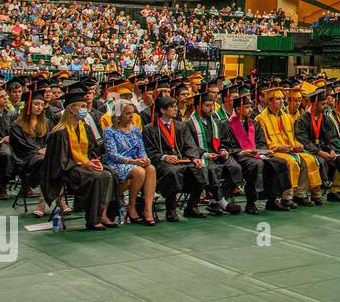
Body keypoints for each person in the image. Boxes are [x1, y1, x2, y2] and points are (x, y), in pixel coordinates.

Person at [45, 84, 119, 230]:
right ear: (71, 108)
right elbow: (60, 162)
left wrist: (93, 161)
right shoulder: (59, 132)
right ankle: (92, 219)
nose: (85, 109)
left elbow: (91, 151)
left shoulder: (83, 127)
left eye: (85, 106)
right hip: (67, 170)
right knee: (98, 176)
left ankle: (103, 214)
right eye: (82, 106)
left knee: (110, 173)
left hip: (83, 166)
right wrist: (82, 164)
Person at [142, 93, 208, 222]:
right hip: (161, 163)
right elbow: (149, 150)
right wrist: (164, 157)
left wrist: (194, 158)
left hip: (180, 160)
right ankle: (170, 209)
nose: (176, 109)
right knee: (172, 172)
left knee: (200, 168)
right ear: (162, 110)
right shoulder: (149, 129)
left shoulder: (180, 126)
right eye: (172, 107)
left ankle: (191, 206)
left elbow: (190, 145)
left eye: (175, 106)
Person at [221, 93, 288, 213]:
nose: (250, 109)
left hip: (256, 155)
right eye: (246, 107)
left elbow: (261, 142)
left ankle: (272, 200)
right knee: (256, 164)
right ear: (238, 109)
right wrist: (241, 152)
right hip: (239, 157)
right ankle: (251, 203)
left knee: (280, 163)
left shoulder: (254, 124)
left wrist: (264, 151)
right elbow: (225, 145)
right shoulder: (226, 125)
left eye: (250, 106)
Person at [255, 86, 322, 206]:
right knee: (291, 162)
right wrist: (279, 147)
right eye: (278, 99)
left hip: (289, 149)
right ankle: (287, 197)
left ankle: (301, 194)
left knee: (310, 159)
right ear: (270, 101)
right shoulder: (261, 119)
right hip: (273, 151)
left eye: (282, 99)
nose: (282, 101)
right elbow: (263, 142)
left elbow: (293, 137)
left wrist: (297, 145)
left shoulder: (286, 117)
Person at [102, 99, 158, 226]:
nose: (132, 116)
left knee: (151, 168)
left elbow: (141, 149)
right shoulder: (109, 131)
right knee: (139, 171)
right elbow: (112, 155)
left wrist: (145, 158)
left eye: (132, 113)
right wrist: (134, 161)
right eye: (128, 114)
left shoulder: (135, 130)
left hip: (135, 162)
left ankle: (147, 209)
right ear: (119, 115)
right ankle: (131, 206)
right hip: (116, 163)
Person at [189, 92, 242, 214]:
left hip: (218, 155)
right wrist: (205, 154)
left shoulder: (217, 122)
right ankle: (222, 202)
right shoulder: (189, 124)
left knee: (235, 167)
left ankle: (215, 201)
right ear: (198, 106)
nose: (211, 108)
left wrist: (223, 149)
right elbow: (190, 145)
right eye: (207, 105)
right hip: (202, 157)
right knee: (211, 169)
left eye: (212, 105)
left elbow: (223, 140)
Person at [293, 86, 340, 202]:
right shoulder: (302, 119)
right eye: (323, 104)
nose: (326, 106)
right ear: (315, 103)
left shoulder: (325, 118)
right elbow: (303, 140)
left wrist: (331, 150)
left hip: (323, 149)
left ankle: (335, 191)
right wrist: (320, 152)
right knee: (319, 161)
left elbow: (330, 138)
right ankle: (315, 192)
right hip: (309, 150)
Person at [8, 89, 51, 214]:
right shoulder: (17, 125)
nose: (39, 107)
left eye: (42, 105)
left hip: (43, 156)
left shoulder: (46, 122)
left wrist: (47, 149)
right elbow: (21, 145)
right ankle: (52, 202)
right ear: (28, 105)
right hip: (26, 158)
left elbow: (51, 140)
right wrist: (39, 150)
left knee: (54, 160)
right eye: (36, 104)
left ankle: (45, 202)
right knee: (46, 162)